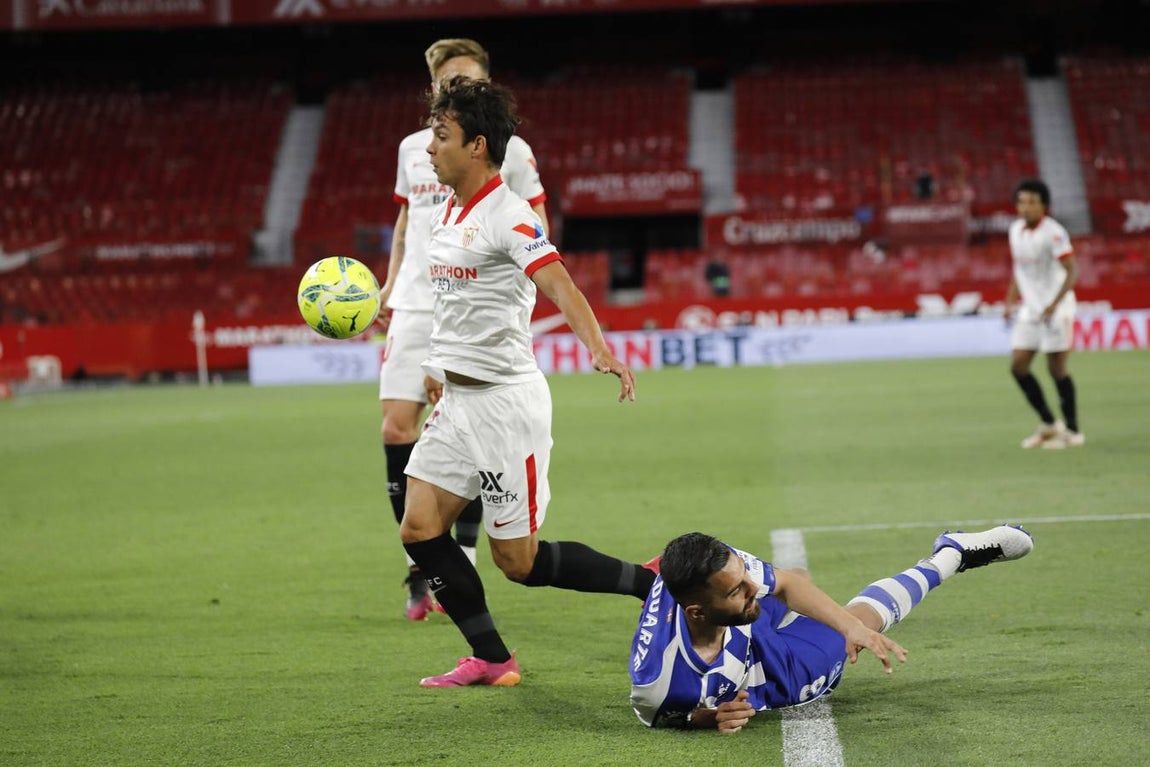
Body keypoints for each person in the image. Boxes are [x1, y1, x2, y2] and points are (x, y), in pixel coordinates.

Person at [400, 76, 655, 688]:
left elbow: (559, 282)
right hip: (459, 401)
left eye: (442, 136)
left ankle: (651, 585)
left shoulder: (508, 215)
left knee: (518, 561)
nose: (429, 148)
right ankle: (492, 659)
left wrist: (599, 349)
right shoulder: (446, 211)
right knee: (419, 527)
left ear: (478, 145)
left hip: (504, 409)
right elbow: (457, 304)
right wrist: (440, 370)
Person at [379, 39, 550, 620]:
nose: (455, 89)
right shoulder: (414, 149)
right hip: (417, 299)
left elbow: (534, 226)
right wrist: (389, 282)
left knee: (469, 426)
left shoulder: (512, 150)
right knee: (397, 426)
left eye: (467, 80)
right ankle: (422, 563)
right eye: (447, 82)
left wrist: (519, 297)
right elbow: (406, 219)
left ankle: (465, 554)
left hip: (474, 299)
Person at [630, 525, 1034, 731]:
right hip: (766, 671)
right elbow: (665, 717)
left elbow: (784, 584)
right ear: (696, 612)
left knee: (811, 594)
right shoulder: (661, 683)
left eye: (744, 577)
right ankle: (953, 555)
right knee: (853, 626)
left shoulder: (705, 567)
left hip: (733, 622)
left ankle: (951, 552)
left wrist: (848, 628)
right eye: (738, 588)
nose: (754, 587)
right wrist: (709, 716)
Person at [1004, 179, 1084, 449]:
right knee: (1018, 366)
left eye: (1032, 202)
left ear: (1044, 206)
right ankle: (1049, 423)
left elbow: (1072, 270)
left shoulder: (1054, 233)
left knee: (1056, 368)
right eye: (1021, 202)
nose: (1025, 207)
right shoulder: (1015, 230)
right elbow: (1020, 269)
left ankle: (1073, 431)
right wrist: (1010, 301)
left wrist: (1055, 303)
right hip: (1031, 308)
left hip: (1056, 308)